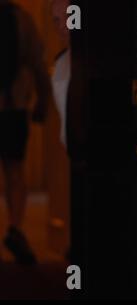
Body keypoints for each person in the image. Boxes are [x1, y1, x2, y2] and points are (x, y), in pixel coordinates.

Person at [0, 0, 51, 265]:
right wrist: (43, 101)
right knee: (15, 171)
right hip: (14, 107)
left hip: (13, 106)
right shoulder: (22, 21)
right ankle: (16, 227)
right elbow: (38, 65)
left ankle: (16, 230)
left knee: (15, 170)